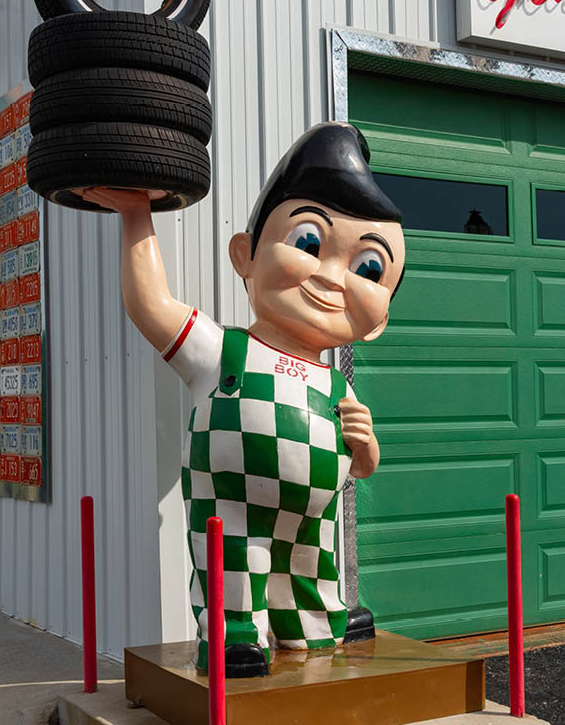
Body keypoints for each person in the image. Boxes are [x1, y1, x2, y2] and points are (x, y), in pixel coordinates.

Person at [77, 122, 406, 678]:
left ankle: (316, 623)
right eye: (308, 242)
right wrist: (137, 215)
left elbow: (364, 466)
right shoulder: (222, 350)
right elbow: (150, 304)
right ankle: (234, 635)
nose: (332, 278)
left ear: (379, 320)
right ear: (245, 256)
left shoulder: (336, 384)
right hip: (232, 508)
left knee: (312, 570)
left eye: (368, 268)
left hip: (312, 519)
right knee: (234, 560)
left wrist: (365, 443)